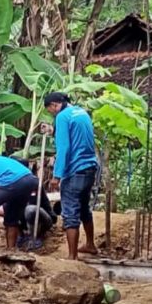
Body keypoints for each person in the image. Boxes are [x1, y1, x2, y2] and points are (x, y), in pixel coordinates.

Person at [45, 91, 100, 260]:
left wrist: (56, 176)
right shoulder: (81, 112)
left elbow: (64, 148)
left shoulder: (62, 117)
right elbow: (77, 136)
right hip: (89, 168)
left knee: (70, 212)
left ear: (55, 105)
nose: (52, 114)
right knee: (84, 207)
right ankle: (90, 245)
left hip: (74, 170)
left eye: (50, 110)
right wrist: (53, 130)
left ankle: (72, 257)